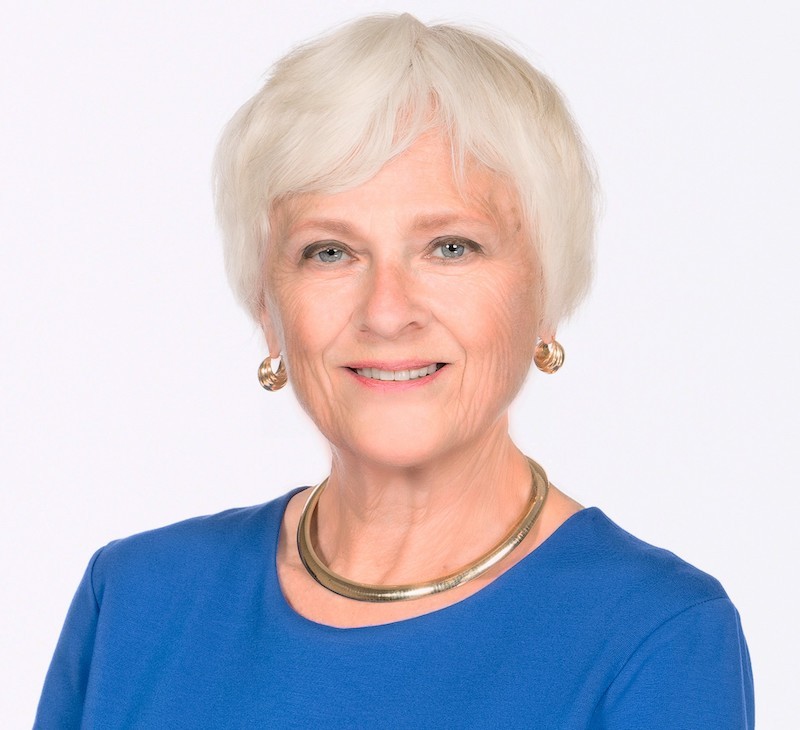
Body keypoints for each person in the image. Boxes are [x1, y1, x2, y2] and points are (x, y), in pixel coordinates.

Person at [35, 13, 754, 728]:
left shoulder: (655, 637)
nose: (386, 312)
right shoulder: (132, 601)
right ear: (267, 308)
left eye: (450, 247)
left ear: (547, 293)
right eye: (329, 252)